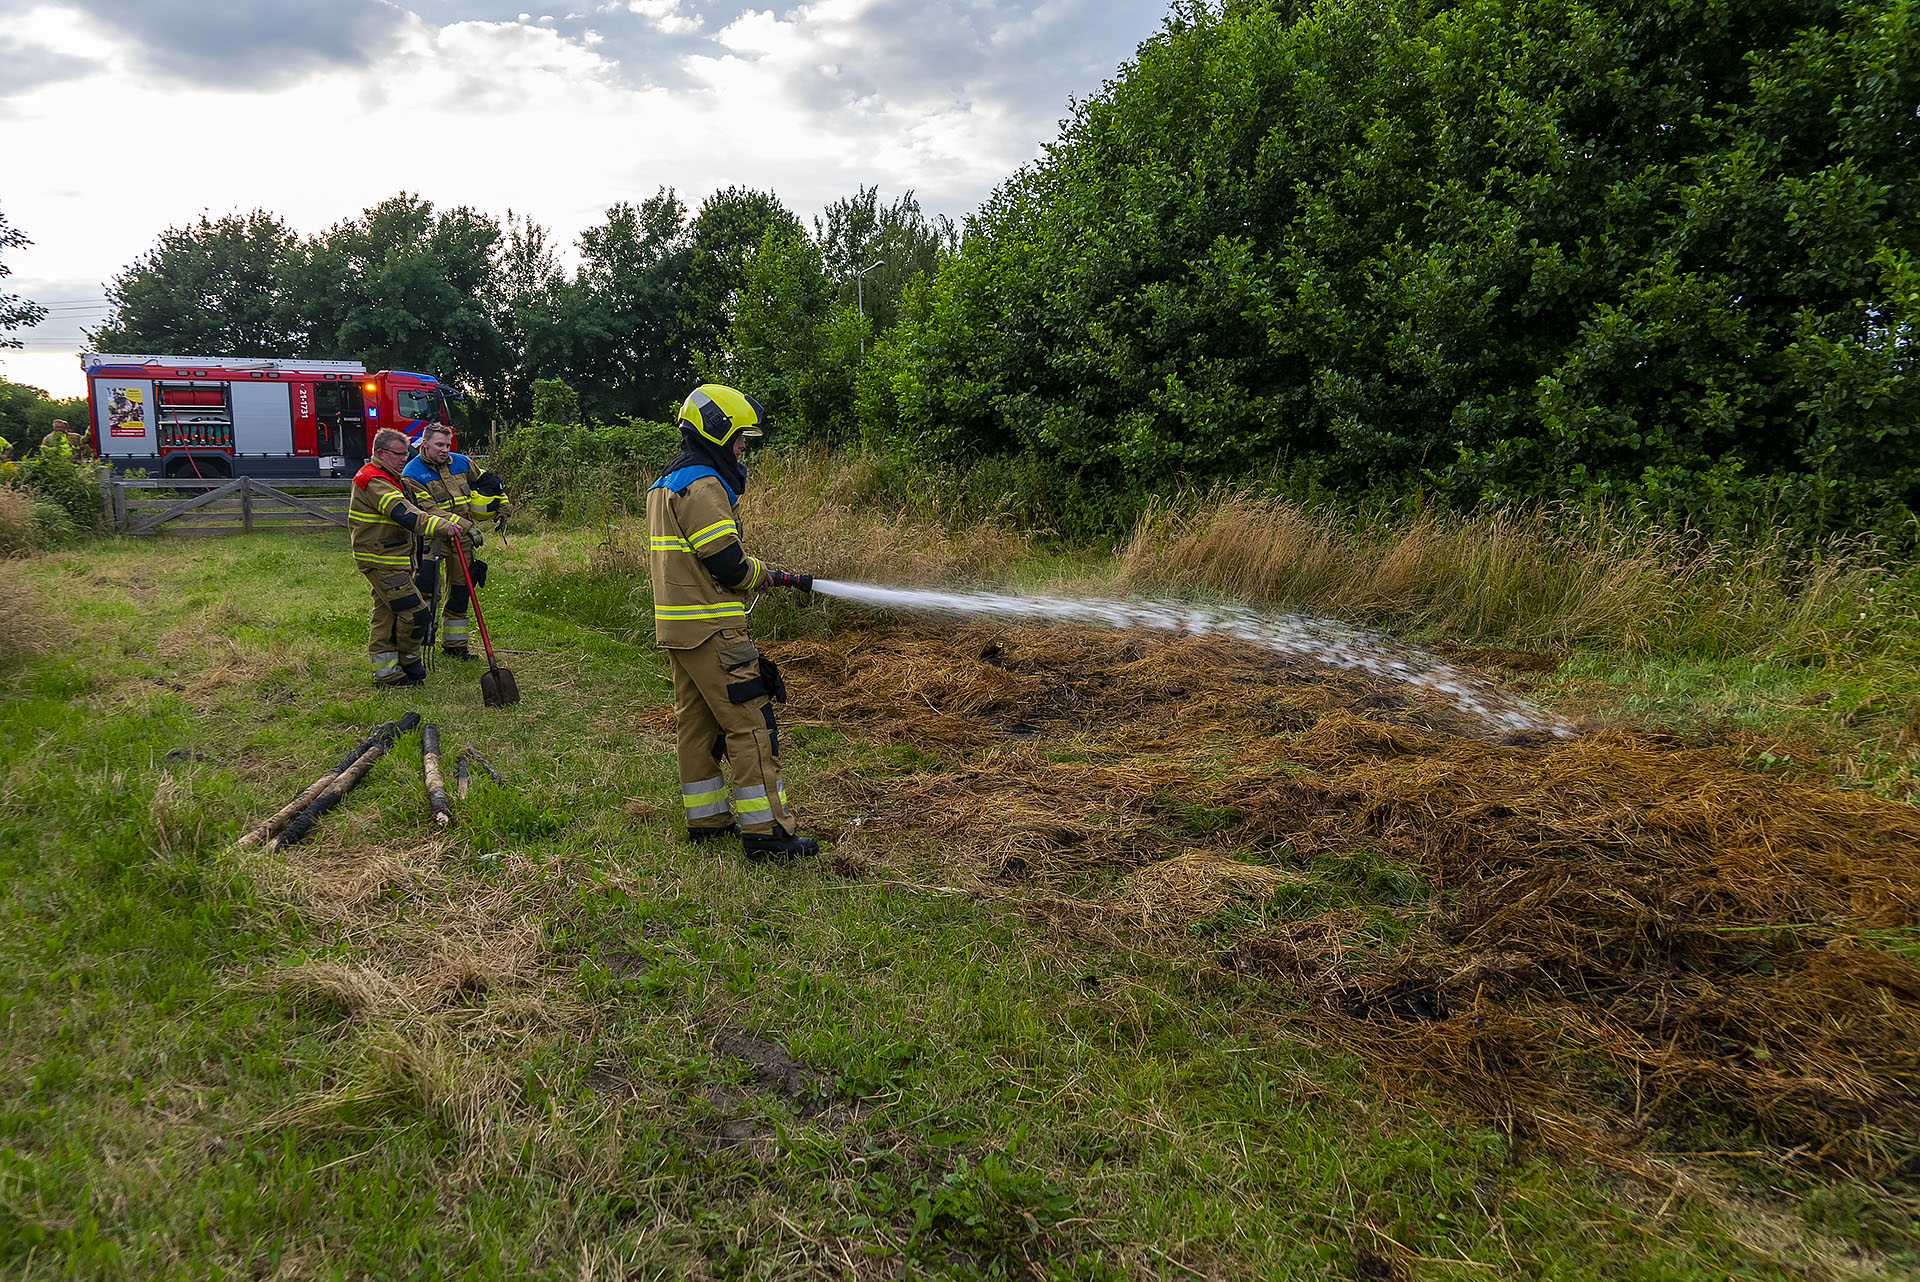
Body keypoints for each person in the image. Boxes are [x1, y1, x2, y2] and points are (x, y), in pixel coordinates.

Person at [647, 384, 819, 862]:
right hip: (713, 627)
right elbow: (728, 564)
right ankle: (768, 833)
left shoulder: (668, 481)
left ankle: (707, 818)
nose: (744, 446)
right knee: (752, 724)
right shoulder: (702, 485)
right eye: (741, 436)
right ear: (718, 430)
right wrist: (765, 573)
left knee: (697, 725)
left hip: (681, 628)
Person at [349, 427, 477, 687]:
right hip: (382, 560)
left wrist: (460, 524)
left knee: (386, 613)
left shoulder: (394, 477)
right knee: (415, 612)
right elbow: (405, 514)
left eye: (405, 453)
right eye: (398, 454)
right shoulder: (374, 480)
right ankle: (408, 661)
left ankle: (387, 673)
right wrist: (443, 527)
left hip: (393, 559)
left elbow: (424, 506)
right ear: (381, 453)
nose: (404, 458)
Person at [403, 424, 509, 661]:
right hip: (430, 537)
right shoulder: (411, 473)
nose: (445, 450)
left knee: (462, 590)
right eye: (439, 445)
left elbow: (491, 484)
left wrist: (503, 508)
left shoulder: (461, 462)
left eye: (448, 445)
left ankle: (455, 645)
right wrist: (468, 526)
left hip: (462, 540)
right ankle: (421, 639)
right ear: (425, 444)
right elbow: (428, 510)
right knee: (427, 588)